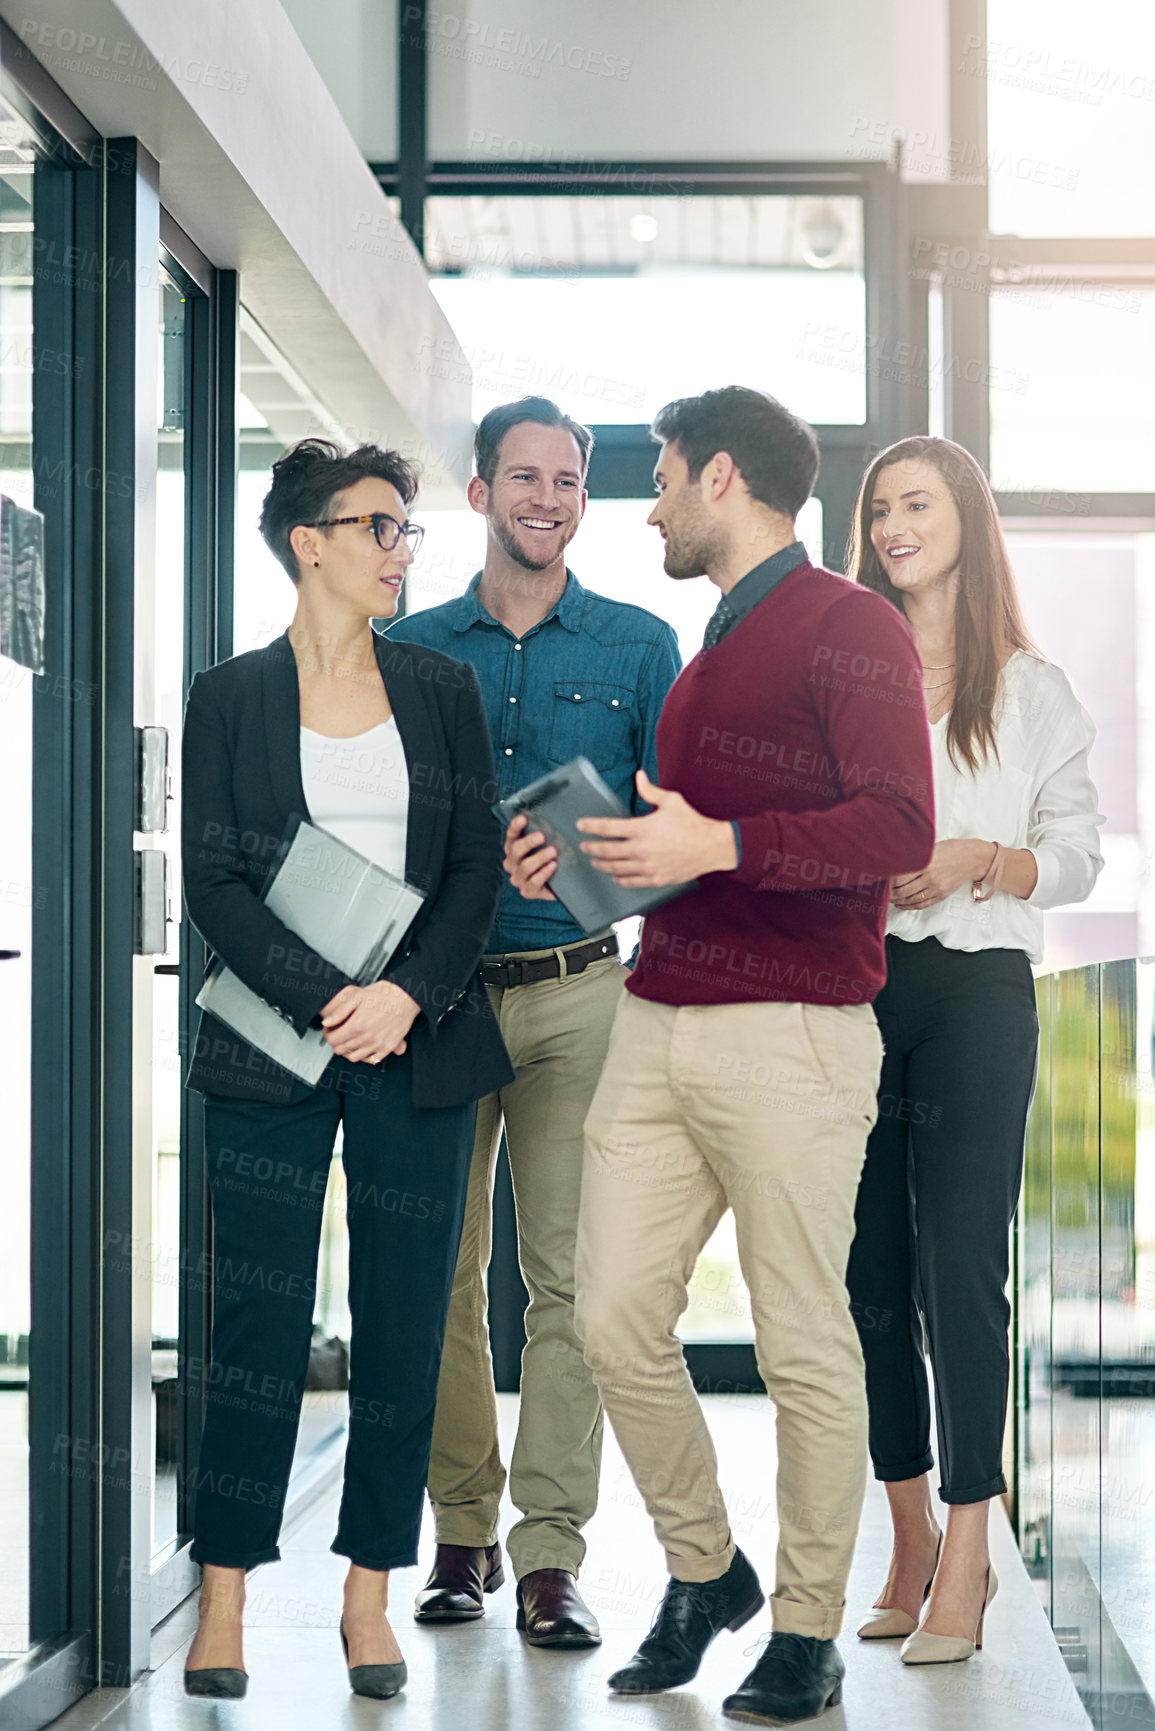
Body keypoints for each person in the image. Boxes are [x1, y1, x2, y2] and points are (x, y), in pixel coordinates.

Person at [506, 385, 936, 1725]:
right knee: (606, 1309)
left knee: (801, 1335)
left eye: (663, 479)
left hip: (792, 1031)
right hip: (657, 1015)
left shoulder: (851, 626)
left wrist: (721, 846)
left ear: (722, 477)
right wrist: (590, 861)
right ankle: (706, 1566)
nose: (646, 507)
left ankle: (804, 1627)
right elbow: (685, 846)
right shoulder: (705, 656)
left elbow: (899, 827)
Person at [180, 438, 514, 1701]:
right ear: (306, 541)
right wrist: (326, 997)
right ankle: (225, 1600)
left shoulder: (437, 689)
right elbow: (212, 882)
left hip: (413, 1051)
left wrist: (401, 997)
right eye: (378, 527)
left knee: (404, 1325)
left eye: (406, 530)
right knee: (254, 1323)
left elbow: (477, 866)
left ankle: (370, 1596)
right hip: (270, 1049)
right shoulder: (230, 695)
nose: (400, 550)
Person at [384, 396, 681, 1647]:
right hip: (437, 1003)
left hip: (579, 993)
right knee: (441, 1274)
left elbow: (681, 839)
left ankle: (551, 1552)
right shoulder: (407, 644)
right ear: (479, 494)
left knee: (571, 1279)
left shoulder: (637, 644)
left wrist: (591, 861)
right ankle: (463, 1538)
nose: (548, 497)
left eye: (568, 479)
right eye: (524, 475)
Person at [844, 435, 1103, 1665]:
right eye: (881, 509)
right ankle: (903, 1540)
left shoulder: (1033, 687)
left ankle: (969, 1553)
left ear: (967, 520)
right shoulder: (845, 669)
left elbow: (1079, 851)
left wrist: (977, 863)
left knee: (960, 1274)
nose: (896, 526)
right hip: (855, 984)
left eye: (919, 505)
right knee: (868, 1275)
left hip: (981, 990)